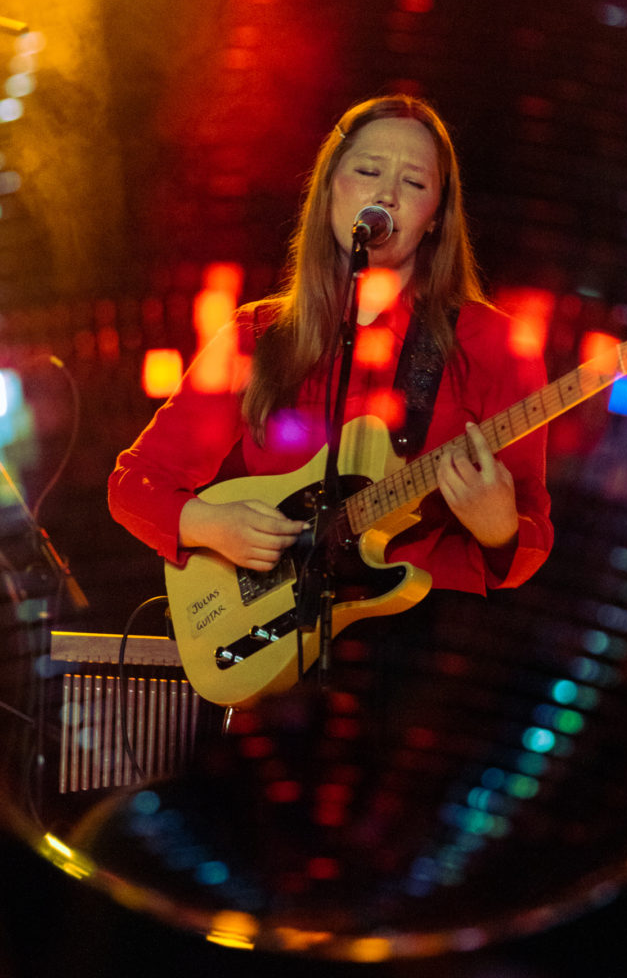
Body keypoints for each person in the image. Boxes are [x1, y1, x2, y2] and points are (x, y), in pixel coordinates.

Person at [108, 94, 553, 680]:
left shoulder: (494, 344)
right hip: (270, 642)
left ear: (437, 216)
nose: (385, 195)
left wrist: (497, 528)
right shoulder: (256, 335)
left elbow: (527, 538)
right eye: (367, 171)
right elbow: (134, 484)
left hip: (423, 653)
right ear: (329, 191)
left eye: (414, 183)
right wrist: (209, 524)